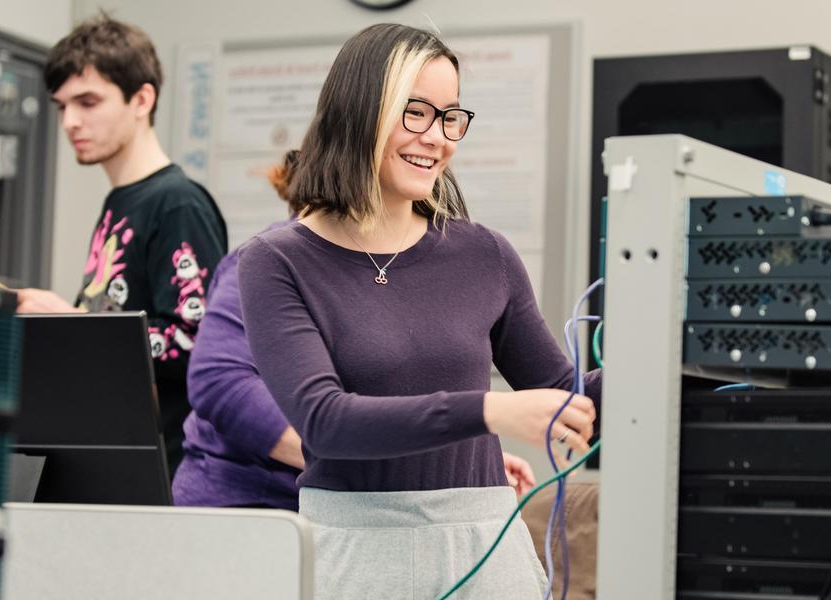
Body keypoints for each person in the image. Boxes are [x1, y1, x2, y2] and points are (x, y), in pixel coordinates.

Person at [237, 23, 599, 599]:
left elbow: (562, 389)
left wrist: (673, 365)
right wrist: (493, 412)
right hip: (353, 555)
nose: (437, 137)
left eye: (451, 116)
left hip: (486, 551)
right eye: (416, 112)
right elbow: (325, 423)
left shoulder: (485, 253)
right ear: (359, 112)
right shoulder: (276, 262)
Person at [174, 152, 538, 510]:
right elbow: (221, 381)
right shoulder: (275, 260)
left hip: (345, 507)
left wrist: (448, 461)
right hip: (248, 503)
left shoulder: (396, 265)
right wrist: (377, 465)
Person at [16, 14, 228, 473]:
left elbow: (195, 339)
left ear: (142, 98)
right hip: (116, 464)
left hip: (166, 476)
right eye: (61, 106)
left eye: (88, 102)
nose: (70, 121)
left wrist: (73, 323)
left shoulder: (177, 204)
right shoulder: (120, 203)